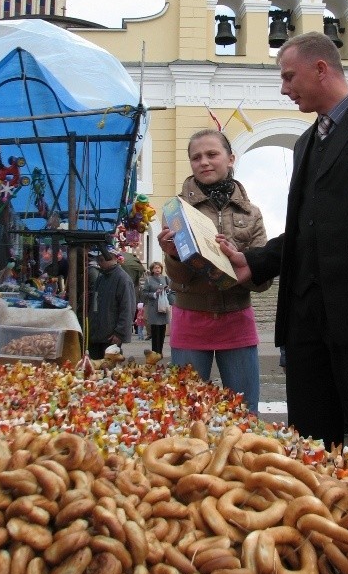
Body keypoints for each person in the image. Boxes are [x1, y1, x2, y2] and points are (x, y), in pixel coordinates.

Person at [218, 31, 348, 480]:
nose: (283, 88)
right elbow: (306, 230)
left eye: (289, 76)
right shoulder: (306, 143)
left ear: (320, 68)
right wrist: (255, 261)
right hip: (307, 322)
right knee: (312, 447)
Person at [158, 129, 270, 416]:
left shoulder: (251, 213)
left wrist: (243, 259)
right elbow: (179, 279)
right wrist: (173, 255)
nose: (204, 162)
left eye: (212, 154)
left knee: (245, 414)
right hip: (190, 321)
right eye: (196, 157)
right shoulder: (176, 210)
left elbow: (263, 282)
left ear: (230, 158)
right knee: (187, 413)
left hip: (237, 319)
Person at [87, 245, 137, 360]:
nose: (99, 263)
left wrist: (120, 333)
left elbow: (127, 308)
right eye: (98, 260)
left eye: (102, 260)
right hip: (96, 335)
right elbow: (95, 304)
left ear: (114, 258)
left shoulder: (123, 279)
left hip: (111, 336)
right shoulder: (101, 277)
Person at [140, 261, 169, 356]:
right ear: (152, 269)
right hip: (154, 307)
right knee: (155, 331)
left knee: (162, 330)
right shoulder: (149, 280)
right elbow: (144, 293)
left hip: (163, 307)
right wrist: (154, 294)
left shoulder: (165, 278)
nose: (157, 269)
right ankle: (154, 352)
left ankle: (160, 352)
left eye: (159, 268)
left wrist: (166, 290)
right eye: (155, 268)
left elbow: (170, 290)